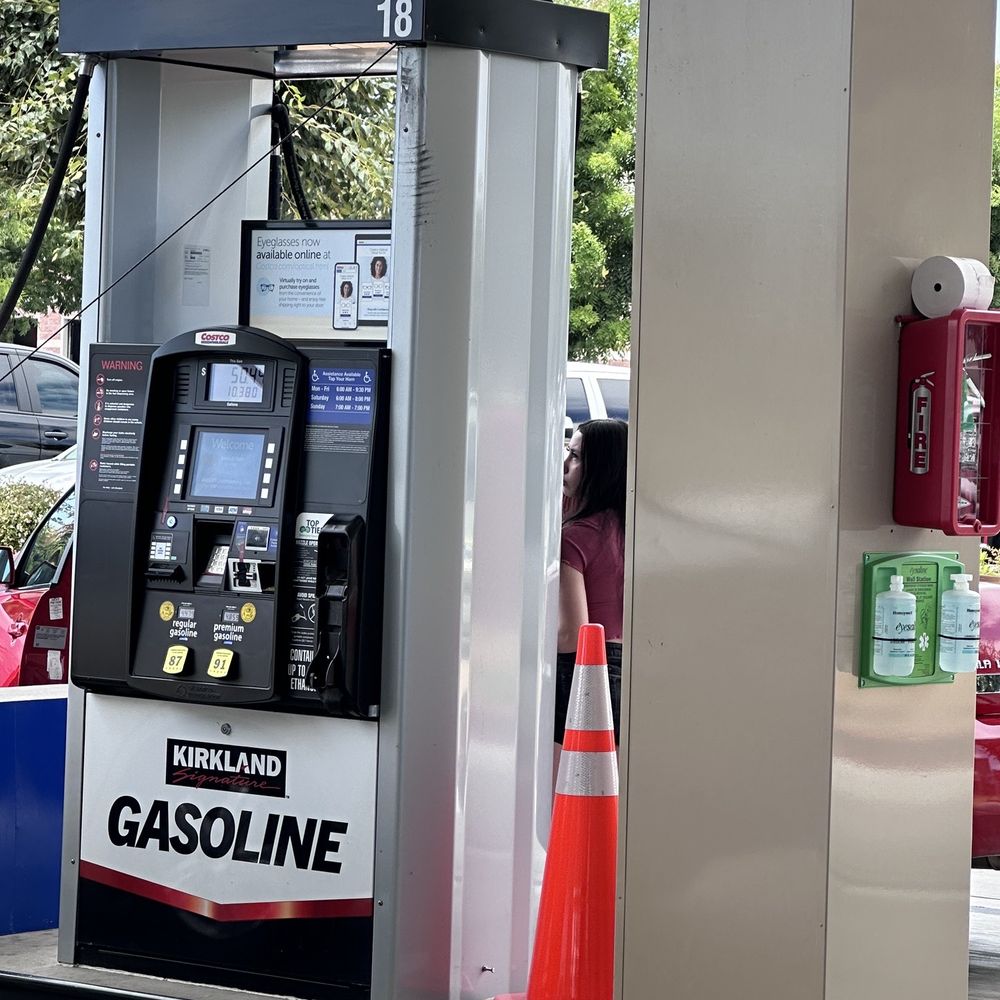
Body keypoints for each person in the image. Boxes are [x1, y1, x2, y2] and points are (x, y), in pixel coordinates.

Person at [555, 418, 627, 745]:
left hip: (586, 671)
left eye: (577, 456)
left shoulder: (575, 537)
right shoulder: (633, 529)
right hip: (635, 666)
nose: (566, 464)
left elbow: (572, 634)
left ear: (602, 468)